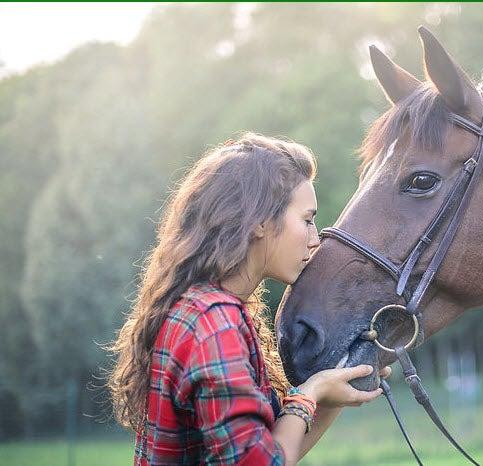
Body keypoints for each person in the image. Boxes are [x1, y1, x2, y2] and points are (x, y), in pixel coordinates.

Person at [107, 134, 389, 465]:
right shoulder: (213, 323)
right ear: (259, 222)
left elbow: (273, 453)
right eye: (307, 220)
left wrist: (330, 393)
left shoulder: (211, 311)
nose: (316, 240)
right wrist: (309, 393)